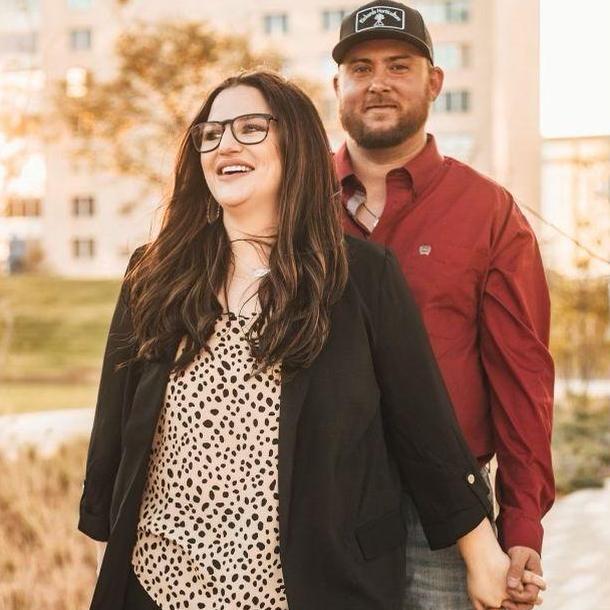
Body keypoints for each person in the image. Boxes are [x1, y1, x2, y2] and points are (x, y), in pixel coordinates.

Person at [78, 70, 545, 610]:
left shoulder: (361, 277)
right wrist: (107, 554)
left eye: (250, 127)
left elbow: (425, 427)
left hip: (307, 588)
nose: (225, 144)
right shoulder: (155, 273)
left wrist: (483, 553)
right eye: (211, 132)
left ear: (295, 144)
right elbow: (113, 427)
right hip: (160, 584)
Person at [331, 3, 555, 610]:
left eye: (399, 66)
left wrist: (522, 523)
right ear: (337, 86)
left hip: (444, 510)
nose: (378, 82)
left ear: (434, 82)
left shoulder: (488, 212)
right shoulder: (295, 208)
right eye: (360, 68)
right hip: (317, 501)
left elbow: (522, 376)